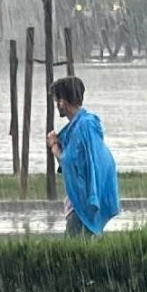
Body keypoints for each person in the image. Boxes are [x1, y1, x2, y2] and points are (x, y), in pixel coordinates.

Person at [46, 76, 120, 237]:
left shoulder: (84, 126)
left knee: (72, 251)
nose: (57, 105)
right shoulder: (81, 126)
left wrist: (54, 146)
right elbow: (75, 163)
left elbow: (69, 161)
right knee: (81, 248)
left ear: (62, 102)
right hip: (81, 200)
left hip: (83, 201)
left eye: (56, 100)